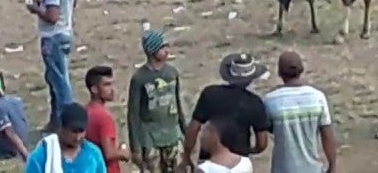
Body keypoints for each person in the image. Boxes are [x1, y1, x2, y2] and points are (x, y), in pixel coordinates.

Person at [182, 53, 272, 168]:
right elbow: (262, 143)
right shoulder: (255, 103)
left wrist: (186, 156)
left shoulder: (210, 94)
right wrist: (249, 150)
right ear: (251, 79)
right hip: (239, 162)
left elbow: (193, 129)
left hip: (209, 159)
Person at [28, 0, 78, 132]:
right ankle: (56, 121)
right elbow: (72, 3)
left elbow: (52, 17)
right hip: (66, 32)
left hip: (54, 37)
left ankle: (67, 124)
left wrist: (36, 9)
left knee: (60, 83)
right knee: (55, 78)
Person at [263, 51, 339, 173]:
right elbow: (327, 136)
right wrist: (333, 166)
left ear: (279, 73)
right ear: (302, 70)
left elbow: (270, 129)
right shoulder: (318, 97)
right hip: (312, 168)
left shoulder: (270, 100)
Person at [127, 31, 185, 172]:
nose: (167, 50)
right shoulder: (140, 78)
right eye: (162, 47)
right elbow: (133, 114)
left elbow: (178, 104)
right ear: (152, 50)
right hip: (150, 138)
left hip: (173, 135)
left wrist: (186, 131)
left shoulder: (172, 73)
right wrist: (136, 147)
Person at [24, 103, 109, 173]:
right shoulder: (42, 155)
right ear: (61, 128)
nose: (78, 137)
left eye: (81, 132)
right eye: (73, 132)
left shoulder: (93, 154)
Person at [85, 66, 129, 173]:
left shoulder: (85, 111)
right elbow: (109, 153)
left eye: (112, 84)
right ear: (94, 89)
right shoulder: (104, 117)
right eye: (106, 85)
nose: (112, 89)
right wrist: (123, 152)